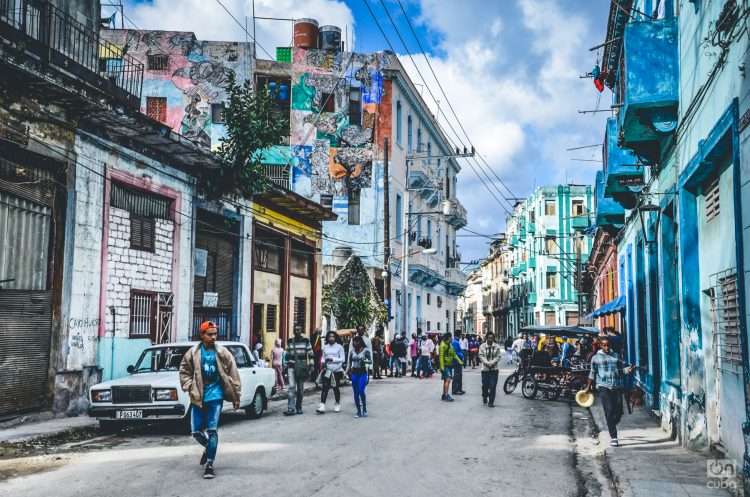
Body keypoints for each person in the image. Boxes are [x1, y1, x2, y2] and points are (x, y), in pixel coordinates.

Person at [179, 321, 241, 479]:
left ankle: (210, 465)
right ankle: (209, 448)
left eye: (215, 334)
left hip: (216, 396)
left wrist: (236, 396)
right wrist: (188, 386)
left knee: (212, 430)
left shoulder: (222, 352)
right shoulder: (193, 353)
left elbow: (234, 374)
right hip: (198, 396)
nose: (213, 337)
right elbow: (184, 371)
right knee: (195, 431)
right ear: (202, 335)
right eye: (210, 334)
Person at [585, 336, 635, 447]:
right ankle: (614, 436)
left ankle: (611, 423)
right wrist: (588, 387)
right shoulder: (596, 358)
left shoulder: (616, 356)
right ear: (600, 345)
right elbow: (592, 373)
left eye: (608, 345)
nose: (606, 347)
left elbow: (621, 371)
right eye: (604, 345)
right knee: (609, 410)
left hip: (617, 386)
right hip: (603, 387)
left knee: (619, 411)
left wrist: (628, 370)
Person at [283, 326, 313, 416]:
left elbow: (310, 354)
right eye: (295, 330)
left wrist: (311, 365)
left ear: (301, 331)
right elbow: (287, 355)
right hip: (291, 367)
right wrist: (286, 364)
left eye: (299, 330)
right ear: (293, 331)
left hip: (302, 368)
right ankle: (291, 408)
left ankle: (299, 407)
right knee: (291, 387)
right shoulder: (290, 341)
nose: (297, 331)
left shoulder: (306, 341)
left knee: (300, 389)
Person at [317, 331, 345, 414]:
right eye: (329, 337)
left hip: (337, 370)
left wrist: (333, 359)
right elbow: (323, 357)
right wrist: (323, 362)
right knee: (325, 387)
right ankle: (322, 405)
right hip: (327, 369)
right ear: (327, 338)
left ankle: (337, 403)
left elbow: (343, 359)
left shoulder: (339, 347)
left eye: (333, 336)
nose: (331, 338)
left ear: (335, 338)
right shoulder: (325, 347)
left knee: (335, 387)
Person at [348, 335, 372, 418]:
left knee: (361, 390)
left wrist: (364, 361)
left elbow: (370, 361)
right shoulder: (352, 351)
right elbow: (349, 362)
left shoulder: (366, 351)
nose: (355, 343)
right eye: (354, 341)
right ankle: (358, 411)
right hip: (354, 372)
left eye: (357, 341)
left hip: (362, 372)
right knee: (356, 392)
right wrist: (347, 371)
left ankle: (364, 408)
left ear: (360, 342)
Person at [478, 332, 502, 407]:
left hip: (494, 369)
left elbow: (498, 356)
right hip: (485, 369)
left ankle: (491, 402)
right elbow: (481, 356)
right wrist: (487, 363)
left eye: (492, 338)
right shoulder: (482, 346)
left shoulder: (497, 347)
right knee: (485, 385)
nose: (490, 339)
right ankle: (485, 396)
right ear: (486, 338)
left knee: (493, 386)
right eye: (489, 338)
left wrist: (492, 363)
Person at [438, 332, 462, 402]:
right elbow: (441, 357)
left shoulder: (450, 345)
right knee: (448, 379)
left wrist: (459, 361)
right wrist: (442, 366)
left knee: (446, 380)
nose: (452, 338)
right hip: (445, 365)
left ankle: (444, 394)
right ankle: (446, 395)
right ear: (448, 338)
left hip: (449, 365)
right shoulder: (442, 345)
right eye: (451, 337)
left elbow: (454, 354)